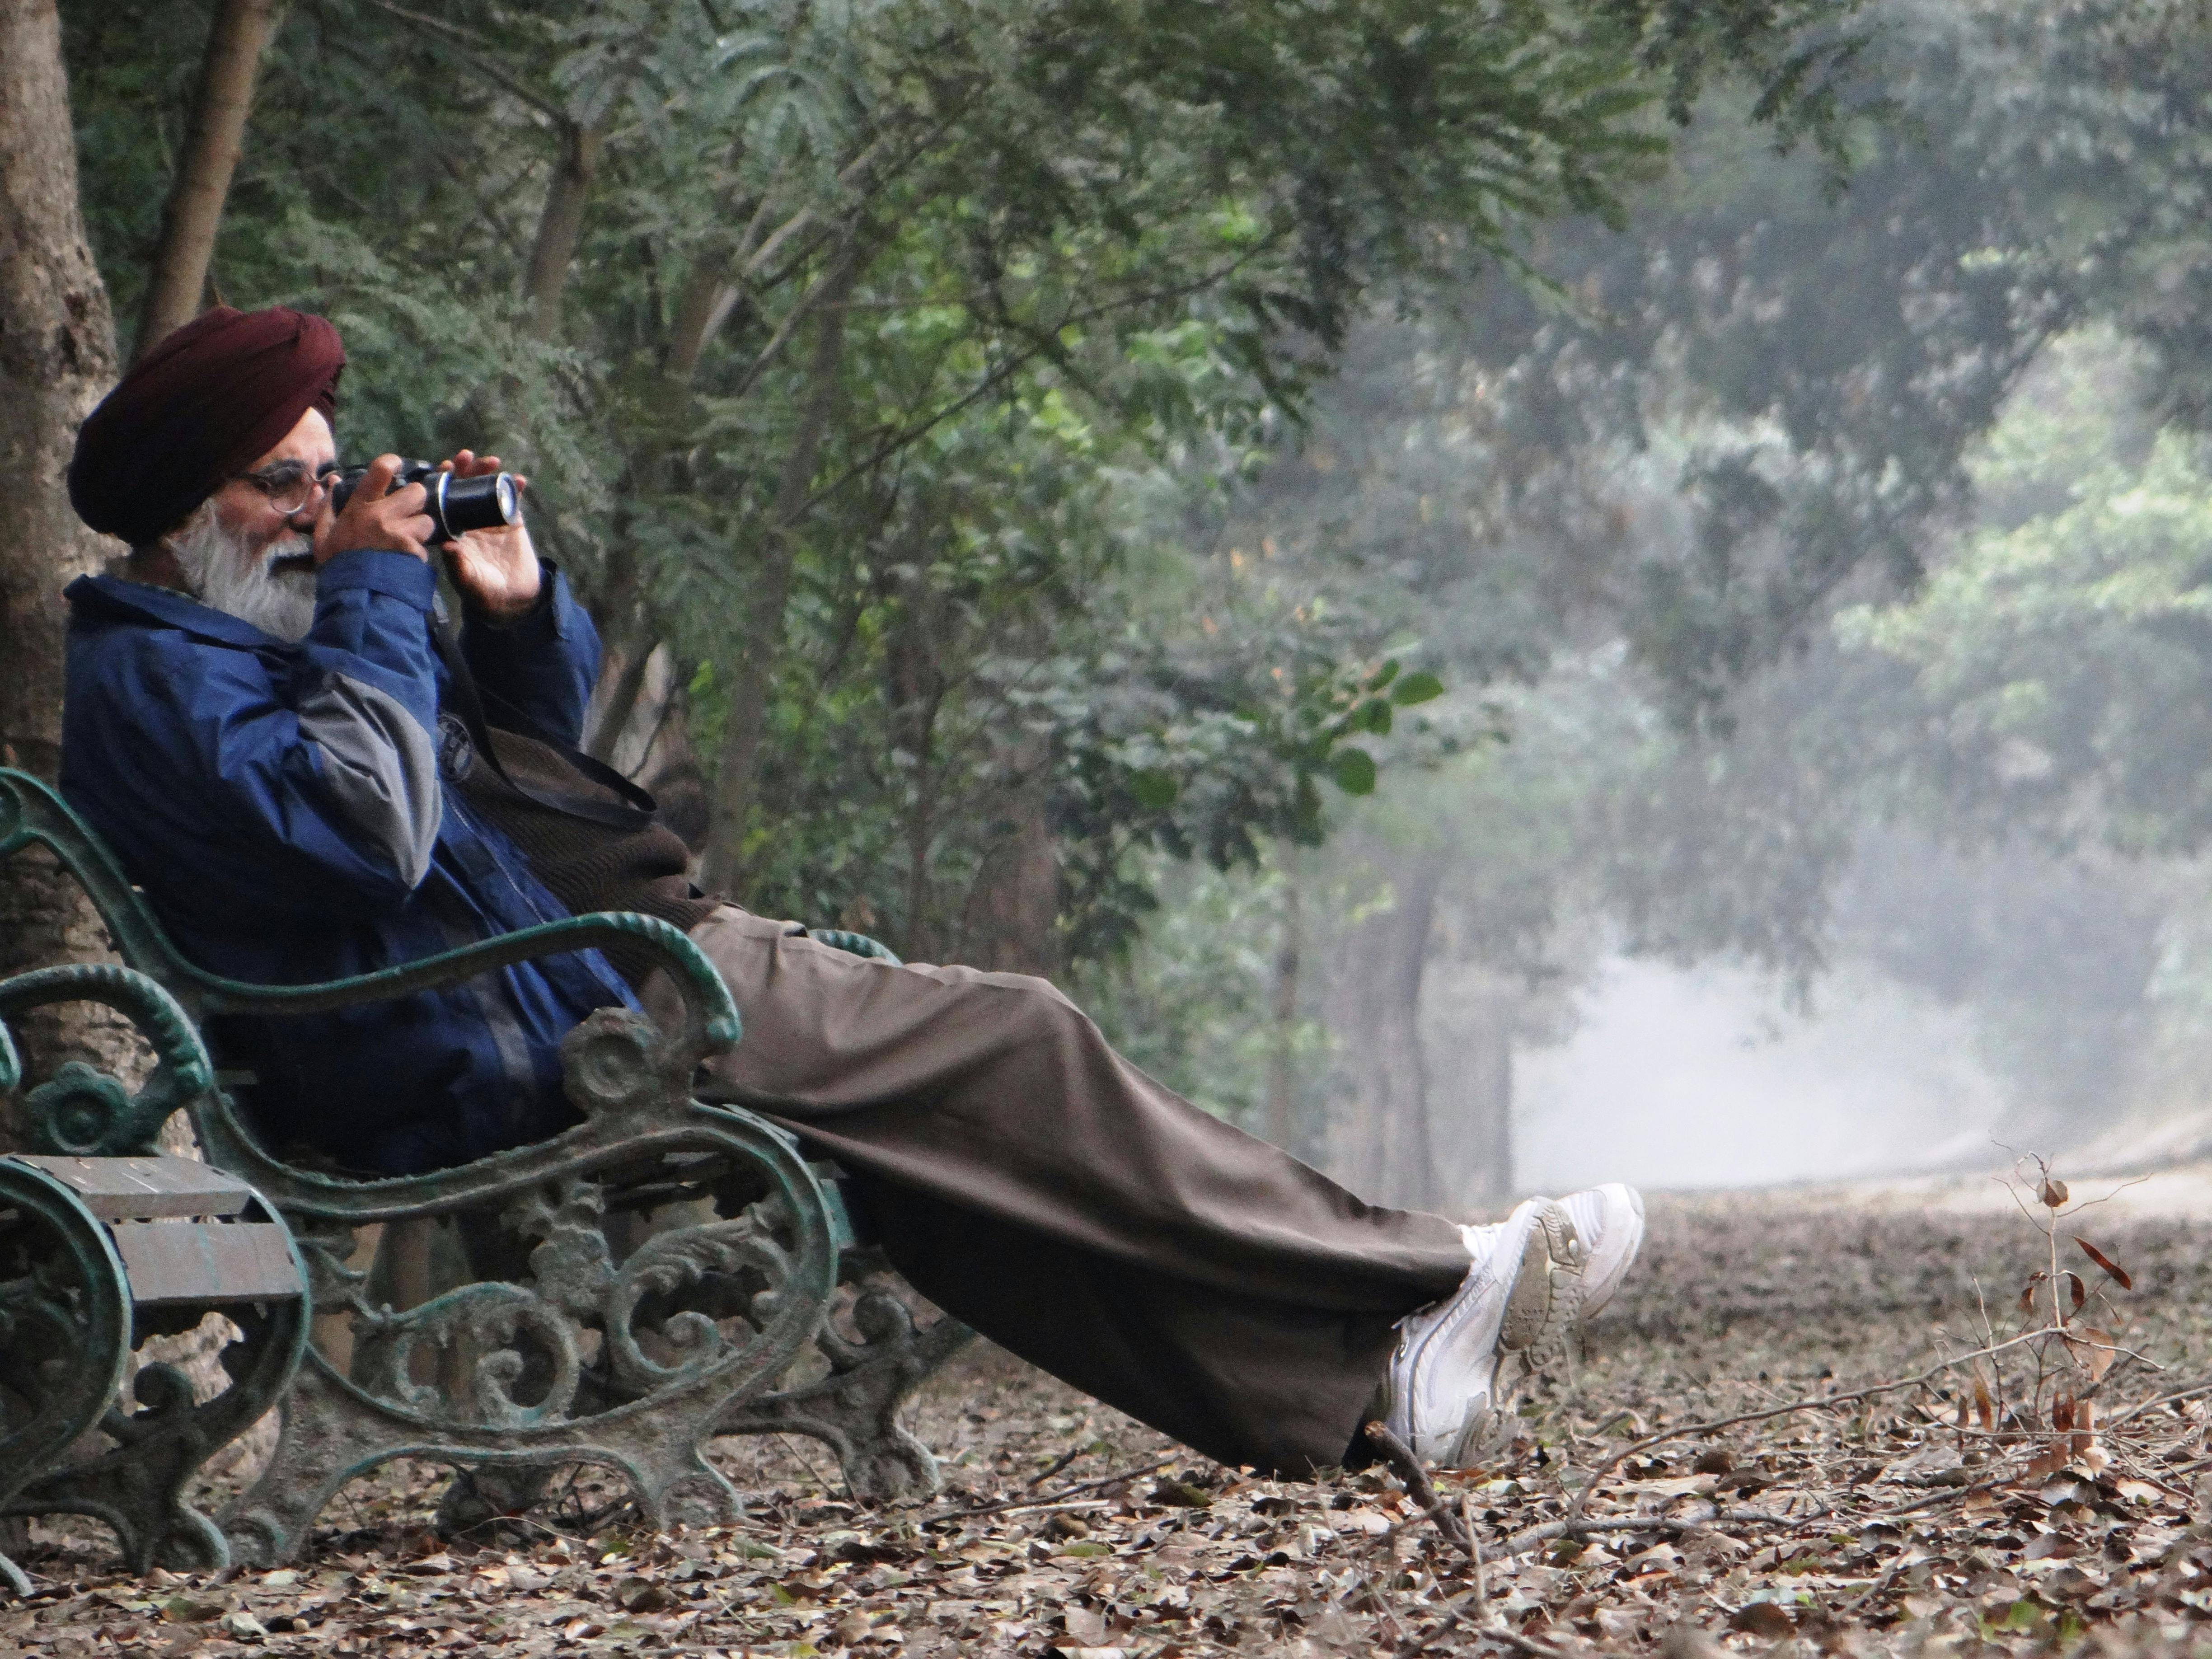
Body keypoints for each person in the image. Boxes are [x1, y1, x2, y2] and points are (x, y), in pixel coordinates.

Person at [57, 305, 1646, 1476]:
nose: (323, 519)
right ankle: (1434, 1270)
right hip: (535, 1036)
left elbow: (497, 790)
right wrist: (378, 595)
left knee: (945, 1176)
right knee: (1016, 1037)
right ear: (188, 514)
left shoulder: (255, 645)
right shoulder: (171, 690)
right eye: (289, 489)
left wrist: (514, 616)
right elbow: (373, 837)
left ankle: (1361, 1402)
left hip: (557, 993)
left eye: (334, 484)